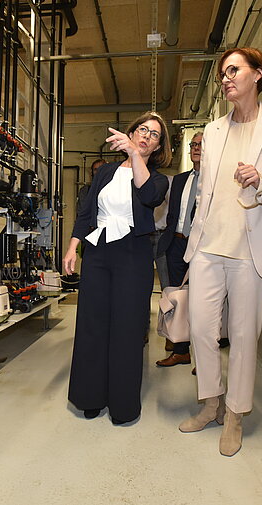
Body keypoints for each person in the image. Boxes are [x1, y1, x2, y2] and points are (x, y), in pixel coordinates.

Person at [178, 47, 262, 456]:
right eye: (222, 73)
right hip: (208, 246)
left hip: (254, 249)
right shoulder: (213, 131)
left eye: (233, 70)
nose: (225, 78)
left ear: (257, 74)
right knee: (200, 328)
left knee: (244, 334)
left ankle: (235, 413)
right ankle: (210, 402)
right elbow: (206, 190)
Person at [64, 111, 171, 425]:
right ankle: (90, 396)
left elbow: (148, 195)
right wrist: (73, 246)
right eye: (142, 129)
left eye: (153, 134)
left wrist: (135, 155)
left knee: (126, 327)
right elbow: (87, 211)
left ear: (158, 146)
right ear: (132, 131)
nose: (145, 135)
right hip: (97, 250)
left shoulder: (157, 179)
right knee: (92, 323)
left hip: (132, 253)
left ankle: (123, 404)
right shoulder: (106, 171)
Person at [155, 132, 203, 367]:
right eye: (193, 144)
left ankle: (204, 359)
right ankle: (181, 350)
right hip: (176, 244)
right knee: (178, 299)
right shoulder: (180, 180)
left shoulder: (215, 179)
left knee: (203, 302)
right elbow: (174, 214)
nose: (196, 148)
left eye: (201, 145)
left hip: (202, 247)